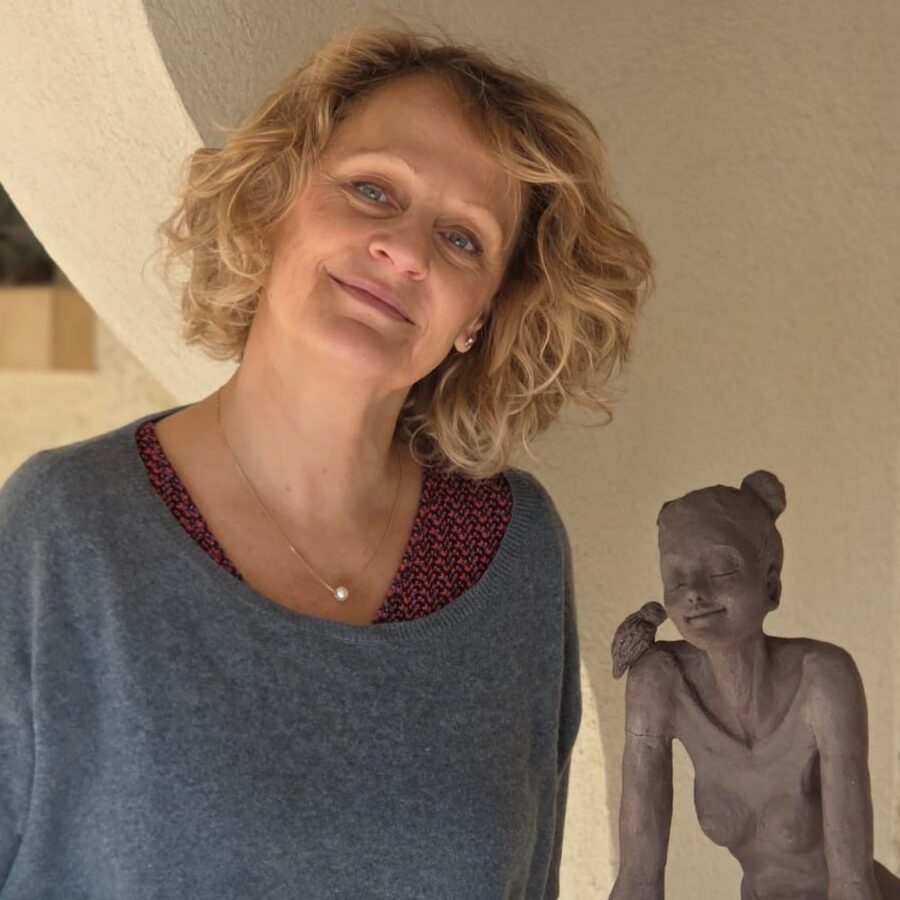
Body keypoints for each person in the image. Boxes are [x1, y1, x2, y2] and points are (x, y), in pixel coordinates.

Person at [0, 18, 654, 900]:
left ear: (479, 315)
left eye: (462, 238)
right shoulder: (67, 529)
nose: (406, 250)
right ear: (274, 202)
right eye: (373, 191)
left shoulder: (513, 550)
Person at [609, 471, 900, 900]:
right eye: (677, 577)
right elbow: (637, 882)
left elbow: (852, 885)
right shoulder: (660, 682)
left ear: (771, 584)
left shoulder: (822, 678)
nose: (694, 593)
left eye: (721, 569)